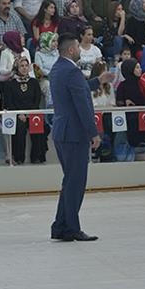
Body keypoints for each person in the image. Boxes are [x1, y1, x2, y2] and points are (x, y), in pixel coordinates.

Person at [49, 34, 101, 242]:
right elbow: (82, 104)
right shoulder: (72, 71)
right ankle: (71, 227)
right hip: (74, 133)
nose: (80, 49)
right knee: (76, 183)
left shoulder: (57, 69)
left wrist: (98, 81)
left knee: (69, 181)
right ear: (71, 50)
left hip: (62, 131)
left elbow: (78, 90)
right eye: (78, 46)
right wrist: (93, 132)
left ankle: (60, 225)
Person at [3, 56, 48, 164]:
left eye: (26, 66)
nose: (24, 68)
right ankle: (19, 157)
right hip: (17, 114)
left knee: (41, 126)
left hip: (32, 112)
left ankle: (37, 156)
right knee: (20, 128)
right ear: (17, 68)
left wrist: (29, 113)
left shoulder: (34, 82)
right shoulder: (10, 84)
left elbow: (37, 100)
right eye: (21, 66)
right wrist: (19, 114)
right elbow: (9, 102)